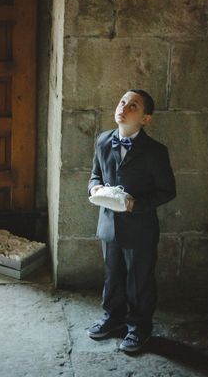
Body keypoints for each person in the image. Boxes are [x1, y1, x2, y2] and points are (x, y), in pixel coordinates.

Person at [87, 89, 176, 352]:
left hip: (140, 228)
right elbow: (95, 175)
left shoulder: (155, 152)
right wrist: (93, 189)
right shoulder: (104, 140)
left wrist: (137, 204)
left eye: (133, 106)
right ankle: (112, 318)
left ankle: (139, 328)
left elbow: (167, 191)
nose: (123, 108)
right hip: (108, 225)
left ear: (145, 119)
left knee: (139, 280)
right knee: (112, 275)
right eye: (122, 101)